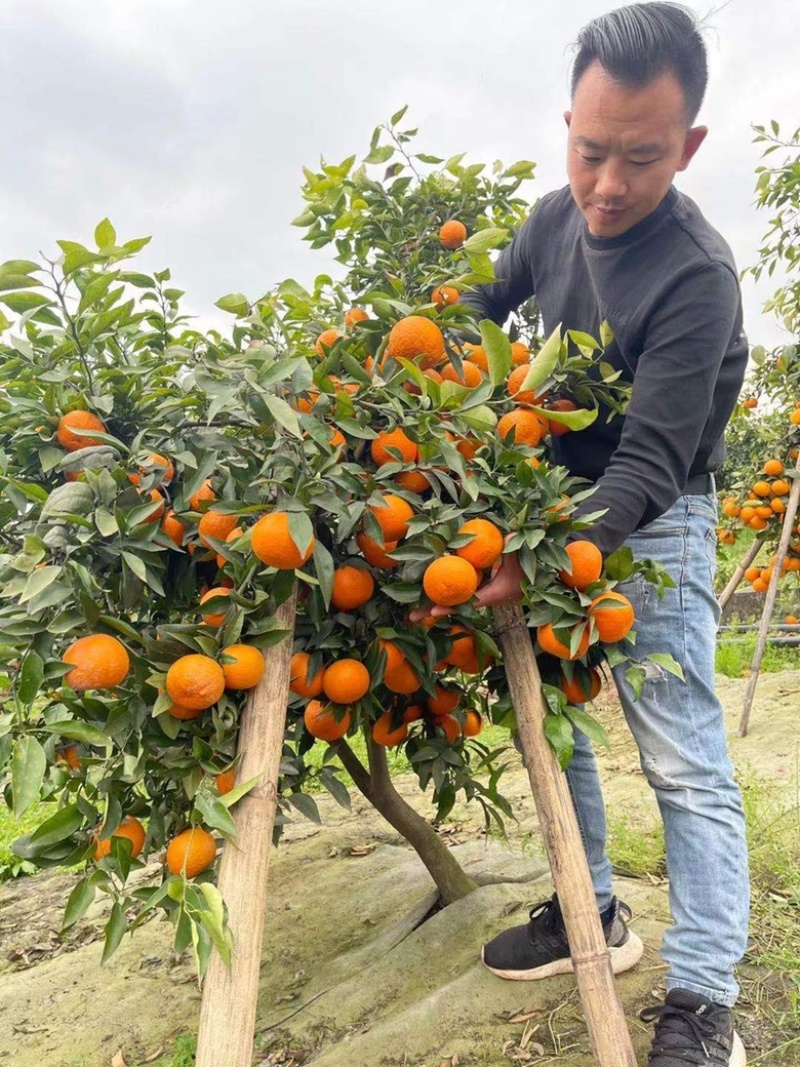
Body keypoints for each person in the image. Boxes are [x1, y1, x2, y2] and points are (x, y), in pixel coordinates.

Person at [463, 5, 750, 1065]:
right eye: (589, 151)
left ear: (687, 145)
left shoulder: (694, 275)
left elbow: (644, 466)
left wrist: (533, 551)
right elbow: (479, 306)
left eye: (639, 158)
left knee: (680, 760)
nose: (607, 185)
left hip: (658, 521)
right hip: (548, 518)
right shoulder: (549, 218)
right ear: (567, 126)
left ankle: (701, 996)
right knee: (562, 726)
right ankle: (591, 910)